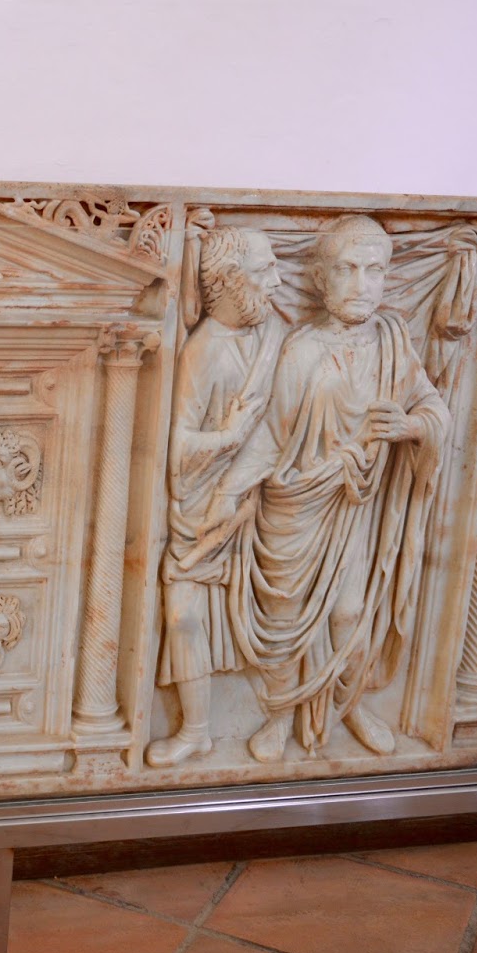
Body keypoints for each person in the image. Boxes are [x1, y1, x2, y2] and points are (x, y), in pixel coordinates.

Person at [204, 214, 449, 762]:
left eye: (374, 271)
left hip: (354, 505)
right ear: (320, 278)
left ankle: (349, 707)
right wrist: (228, 491)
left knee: (348, 613)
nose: (361, 284)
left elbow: (433, 407)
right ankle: (279, 715)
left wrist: (412, 426)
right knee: (284, 615)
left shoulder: (393, 342)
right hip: (295, 505)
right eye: (346, 269)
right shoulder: (302, 348)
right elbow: (271, 434)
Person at [146, 227, 286, 767]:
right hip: (201, 511)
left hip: (263, 502)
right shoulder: (203, 351)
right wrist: (229, 437)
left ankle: (283, 717)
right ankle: (196, 731)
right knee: (184, 617)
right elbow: (178, 445)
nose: (278, 281)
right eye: (265, 270)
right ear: (230, 280)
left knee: (271, 610)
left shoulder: (273, 334)